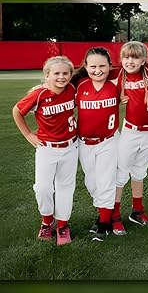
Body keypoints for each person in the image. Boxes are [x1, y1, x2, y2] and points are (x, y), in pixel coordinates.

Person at [12, 56, 79, 245]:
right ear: (46, 75)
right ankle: (47, 222)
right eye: (56, 73)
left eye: (65, 73)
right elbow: (17, 110)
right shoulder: (39, 94)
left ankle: (63, 226)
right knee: (43, 188)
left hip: (70, 147)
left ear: (71, 74)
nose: (61, 77)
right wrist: (28, 135)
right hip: (47, 149)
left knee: (66, 187)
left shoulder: (72, 89)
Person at [73, 48, 122, 242]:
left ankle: (104, 223)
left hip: (109, 141)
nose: (98, 70)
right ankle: (104, 213)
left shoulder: (116, 82)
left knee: (106, 181)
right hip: (84, 142)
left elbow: (137, 65)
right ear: (85, 67)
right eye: (93, 66)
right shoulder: (79, 85)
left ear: (110, 66)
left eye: (102, 65)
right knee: (91, 183)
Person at [113, 40, 148, 234]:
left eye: (135, 57)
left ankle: (137, 210)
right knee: (121, 173)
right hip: (131, 131)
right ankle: (114, 215)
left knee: (140, 172)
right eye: (126, 57)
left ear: (143, 60)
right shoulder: (118, 78)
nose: (130, 61)